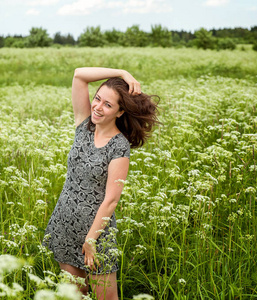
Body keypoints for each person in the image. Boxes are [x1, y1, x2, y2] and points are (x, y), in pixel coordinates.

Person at [43, 67, 159, 299]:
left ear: (120, 112)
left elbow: (111, 199)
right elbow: (78, 75)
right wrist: (122, 72)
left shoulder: (119, 146)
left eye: (108, 104)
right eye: (97, 99)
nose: (97, 106)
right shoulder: (84, 126)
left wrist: (91, 240)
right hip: (65, 224)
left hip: (97, 234)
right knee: (76, 295)